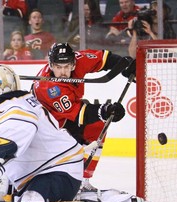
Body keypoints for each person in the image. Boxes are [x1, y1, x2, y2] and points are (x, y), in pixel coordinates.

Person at [0, 64, 152, 202]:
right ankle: (114, 200)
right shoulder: (23, 102)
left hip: (58, 169)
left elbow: (17, 130)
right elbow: (17, 151)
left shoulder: (13, 106)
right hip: (47, 170)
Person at [32, 42, 135, 191]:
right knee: (66, 146)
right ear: (51, 65)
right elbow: (80, 114)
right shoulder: (48, 88)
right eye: (58, 67)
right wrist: (105, 111)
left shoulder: (80, 59)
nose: (62, 72)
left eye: (67, 67)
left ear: (74, 63)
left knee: (98, 126)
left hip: (66, 114)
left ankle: (84, 181)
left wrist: (125, 65)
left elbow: (105, 59)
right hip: (47, 122)